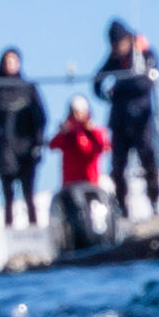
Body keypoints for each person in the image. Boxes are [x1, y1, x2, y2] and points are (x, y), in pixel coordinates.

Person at [96, 21, 159, 222]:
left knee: (148, 162)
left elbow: (146, 83)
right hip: (120, 122)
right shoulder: (114, 60)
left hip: (142, 120)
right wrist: (108, 95)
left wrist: (118, 89)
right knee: (118, 168)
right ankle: (123, 209)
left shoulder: (145, 55)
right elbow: (97, 82)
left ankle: (155, 204)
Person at [0, 48, 47, 225]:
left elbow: (41, 118)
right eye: (7, 61)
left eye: (14, 61)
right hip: (5, 147)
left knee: (28, 192)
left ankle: (33, 227)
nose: (10, 65)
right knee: (8, 194)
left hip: (27, 146)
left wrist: (38, 143)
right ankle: (8, 229)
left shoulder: (29, 88)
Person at [51, 90, 114, 251]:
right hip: (71, 184)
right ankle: (73, 240)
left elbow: (102, 147)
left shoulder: (94, 132)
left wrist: (89, 131)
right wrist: (65, 132)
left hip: (91, 183)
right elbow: (53, 144)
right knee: (75, 205)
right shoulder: (67, 133)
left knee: (99, 205)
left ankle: (102, 238)